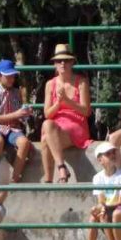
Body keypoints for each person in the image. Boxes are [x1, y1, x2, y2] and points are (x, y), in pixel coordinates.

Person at [41, 44, 91, 184]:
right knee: (46, 132)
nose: (62, 63)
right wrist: (58, 104)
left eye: (66, 60)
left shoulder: (81, 82)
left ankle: (57, 171)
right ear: (55, 64)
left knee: (47, 131)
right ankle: (51, 179)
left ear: (72, 62)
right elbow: (47, 114)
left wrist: (67, 101)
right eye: (58, 61)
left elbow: (86, 111)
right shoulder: (50, 84)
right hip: (56, 126)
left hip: (76, 125)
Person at [0, 59, 34, 182]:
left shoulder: (16, 93)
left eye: (13, 76)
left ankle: (15, 177)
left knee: (24, 142)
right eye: (8, 76)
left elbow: (19, 116)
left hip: (13, 128)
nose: (12, 79)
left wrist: (25, 113)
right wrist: (16, 114)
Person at [84, 142, 121, 240]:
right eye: (108, 154)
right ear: (100, 159)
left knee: (104, 216)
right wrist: (97, 208)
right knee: (93, 218)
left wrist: (103, 207)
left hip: (119, 210)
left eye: (113, 153)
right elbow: (101, 200)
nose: (112, 155)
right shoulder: (97, 177)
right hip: (108, 208)